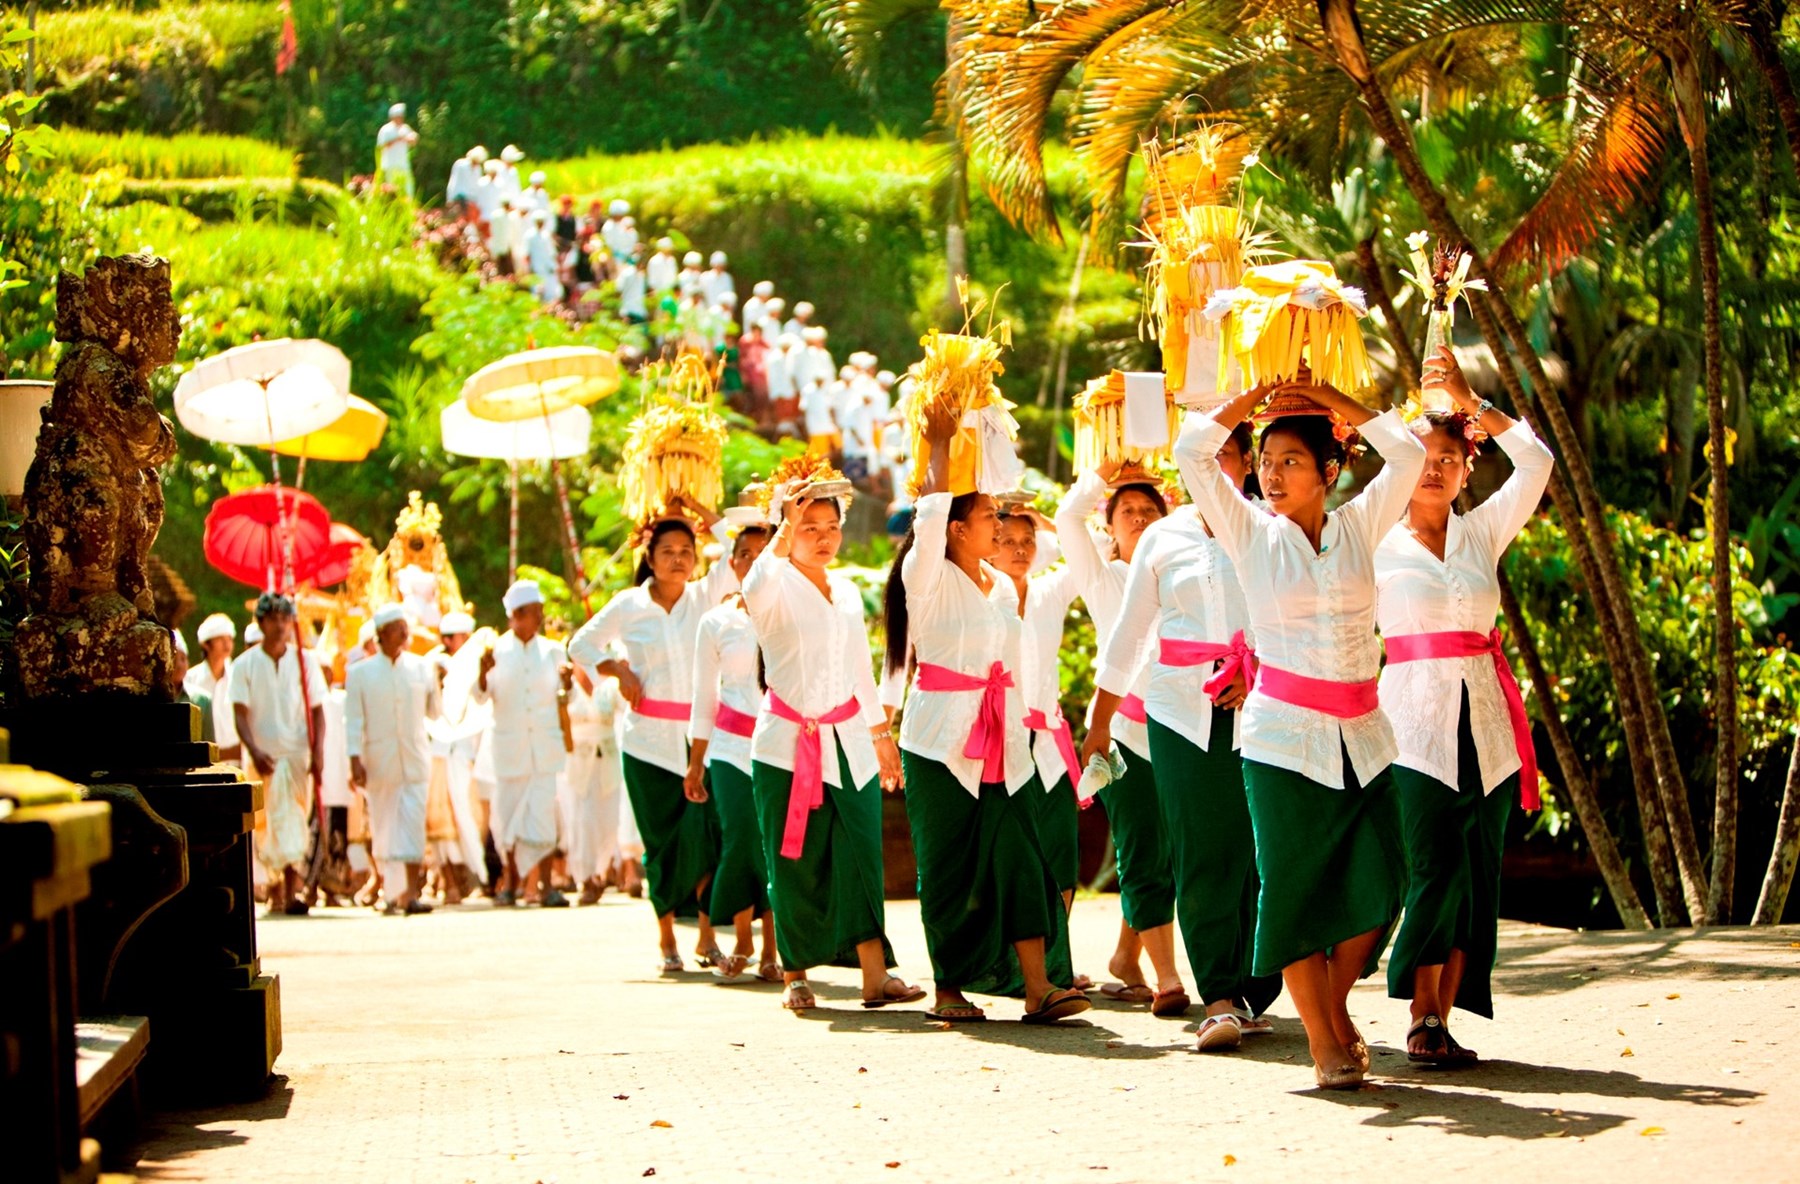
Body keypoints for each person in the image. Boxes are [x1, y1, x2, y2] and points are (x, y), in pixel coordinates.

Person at [1175, 378, 1426, 1090]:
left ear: (1329, 470)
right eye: (1265, 461)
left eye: (1290, 460)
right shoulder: (1250, 531)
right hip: (1280, 742)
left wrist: (1328, 396)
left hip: (1365, 740)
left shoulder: (1360, 525)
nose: (1272, 474)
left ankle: (1335, 1005)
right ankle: (1322, 1042)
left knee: (1385, 883)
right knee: (1290, 893)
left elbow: (1406, 454)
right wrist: (1257, 391)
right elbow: (1193, 452)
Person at [1378, 348, 1555, 1065]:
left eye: (1449, 458)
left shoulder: (1483, 532)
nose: (1434, 468)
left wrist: (1470, 401)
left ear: (1466, 468)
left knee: (1477, 875)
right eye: (1422, 457)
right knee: (1434, 866)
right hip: (1409, 727)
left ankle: (1438, 1019)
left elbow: (1537, 461)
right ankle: (1417, 1008)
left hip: (1487, 724)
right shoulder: (1373, 541)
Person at [1091, 422, 1284, 1052]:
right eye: (1200, 455)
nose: (1211, 466)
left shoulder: (1271, 527)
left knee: (1256, 851)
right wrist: (1098, 723)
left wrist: (1256, 667)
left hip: (1265, 707)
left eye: (1224, 454)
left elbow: (1293, 618)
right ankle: (1218, 998)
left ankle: (1252, 987)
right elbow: (1128, 634)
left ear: (1247, 463)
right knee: (1202, 849)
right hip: (1177, 712)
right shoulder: (1161, 536)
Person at [885, 461, 1088, 1024]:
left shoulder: (999, 584)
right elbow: (930, 514)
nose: (1000, 524)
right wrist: (941, 446)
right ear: (955, 528)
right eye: (989, 515)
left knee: (1022, 854)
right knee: (946, 865)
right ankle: (949, 987)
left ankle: (1038, 987)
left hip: (1005, 740)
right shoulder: (926, 574)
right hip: (938, 742)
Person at [742, 479, 924, 1011]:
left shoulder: (844, 591)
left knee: (861, 854)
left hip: (850, 742)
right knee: (792, 860)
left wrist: (880, 734)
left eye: (831, 527)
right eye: (809, 528)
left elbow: (859, 668)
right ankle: (795, 974)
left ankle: (875, 975)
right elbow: (755, 584)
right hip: (785, 746)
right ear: (786, 530)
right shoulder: (771, 585)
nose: (823, 538)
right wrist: (782, 527)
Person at [568, 509, 739, 970]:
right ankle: (666, 940)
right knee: (660, 843)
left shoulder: (705, 596)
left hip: (701, 742)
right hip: (645, 744)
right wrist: (616, 669)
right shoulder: (629, 605)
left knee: (706, 838)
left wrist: (701, 512)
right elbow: (579, 645)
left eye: (686, 551)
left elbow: (738, 552)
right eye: (667, 551)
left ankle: (706, 937)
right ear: (649, 556)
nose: (678, 559)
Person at [1066, 463, 1178, 1011]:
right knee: (1141, 849)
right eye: (1126, 511)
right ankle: (1169, 978)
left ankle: (1124, 958)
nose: (1138, 518)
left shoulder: (1181, 577)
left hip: (1180, 732)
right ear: (1109, 526)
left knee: (1167, 852)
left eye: (1149, 510)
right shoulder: (1104, 578)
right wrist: (1100, 476)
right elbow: (1068, 518)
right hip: (1119, 734)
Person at [685, 526, 780, 983]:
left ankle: (774, 948)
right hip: (728, 748)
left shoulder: (790, 613)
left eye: (764, 551)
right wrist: (695, 762)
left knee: (773, 843)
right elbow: (704, 695)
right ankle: (743, 938)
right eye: (745, 553)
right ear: (733, 563)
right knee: (741, 837)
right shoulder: (715, 622)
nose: (754, 560)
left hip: (781, 743)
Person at [985, 506, 1087, 925]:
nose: (1020, 549)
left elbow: (1098, 547)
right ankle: (1016, 950)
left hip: (1047, 741)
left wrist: (1046, 522)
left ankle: (1057, 948)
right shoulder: (980, 596)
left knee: (1061, 843)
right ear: (990, 546)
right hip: (997, 738)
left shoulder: (1050, 591)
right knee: (1011, 849)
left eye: (1028, 541)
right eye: (1007, 540)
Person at [474, 579, 573, 908]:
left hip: (544, 750)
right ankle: (511, 883)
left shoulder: (553, 651)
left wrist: (569, 685)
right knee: (508, 819)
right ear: (516, 615)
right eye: (534, 611)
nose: (541, 617)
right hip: (510, 751)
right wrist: (482, 675)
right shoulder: (495, 653)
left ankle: (546, 886)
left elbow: (565, 698)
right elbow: (479, 697)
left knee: (542, 818)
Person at [232, 593, 328, 916]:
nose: (280, 625)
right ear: (261, 623)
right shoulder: (244, 665)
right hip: (263, 756)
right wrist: (254, 749)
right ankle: (279, 889)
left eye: (285, 619)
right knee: (268, 822)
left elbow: (318, 711)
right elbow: (240, 714)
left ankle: (289, 890)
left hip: (297, 753)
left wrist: (318, 750)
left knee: (293, 819)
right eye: (273, 618)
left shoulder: (305, 662)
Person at [345, 604, 442, 916]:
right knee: (385, 826)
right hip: (380, 763)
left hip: (414, 760)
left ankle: (410, 894)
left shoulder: (421, 668)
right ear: (382, 633)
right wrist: (354, 759)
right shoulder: (360, 673)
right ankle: (390, 893)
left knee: (413, 825)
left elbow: (435, 713)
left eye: (405, 626)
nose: (404, 632)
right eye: (398, 627)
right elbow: (353, 722)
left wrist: (439, 684)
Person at [428, 610, 489, 898]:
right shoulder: (433, 665)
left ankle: (468, 878)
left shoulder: (474, 668)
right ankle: (449, 881)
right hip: (439, 755)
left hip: (465, 756)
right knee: (440, 821)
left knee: (470, 819)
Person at [186, 612, 242, 762]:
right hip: (201, 762)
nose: (227, 644)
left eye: (230, 639)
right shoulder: (191, 680)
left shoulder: (238, 677)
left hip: (236, 763)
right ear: (206, 644)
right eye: (221, 639)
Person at [375, 103, 418, 199]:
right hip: (390, 164)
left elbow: (413, 140)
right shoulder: (386, 129)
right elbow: (382, 145)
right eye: (398, 116)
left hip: (403, 164)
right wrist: (398, 138)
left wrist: (412, 138)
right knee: (393, 189)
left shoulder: (405, 128)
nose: (400, 118)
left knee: (408, 187)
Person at [447, 144, 486, 209]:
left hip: (472, 200)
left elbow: (477, 185)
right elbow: (454, 181)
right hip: (459, 198)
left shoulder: (478, 168)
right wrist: (450, 198)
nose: (476, 164)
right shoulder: (460, 165)